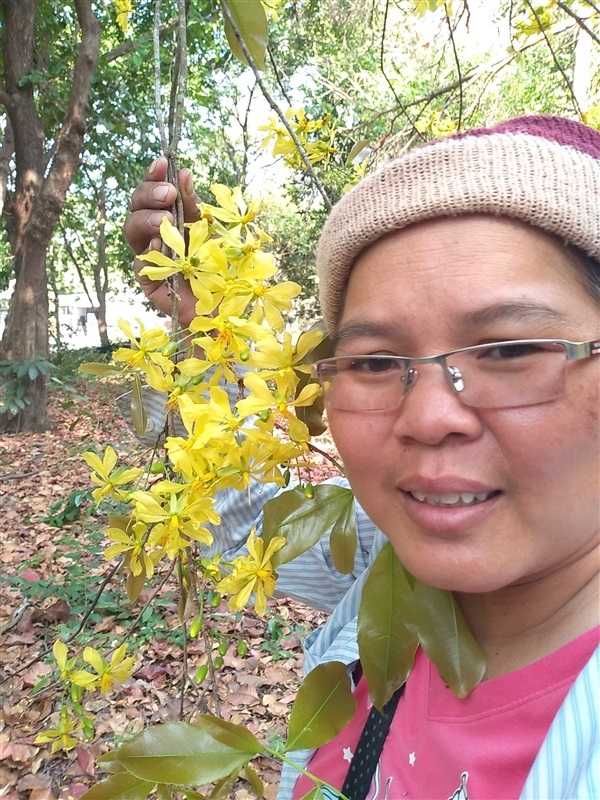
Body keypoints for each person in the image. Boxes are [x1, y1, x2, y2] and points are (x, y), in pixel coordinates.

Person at [124, 115, 599, 800]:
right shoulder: (386, 561)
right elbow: (238, 524)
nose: (429, 417)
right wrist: (209, 329)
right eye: (376, 361)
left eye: (510, 350)